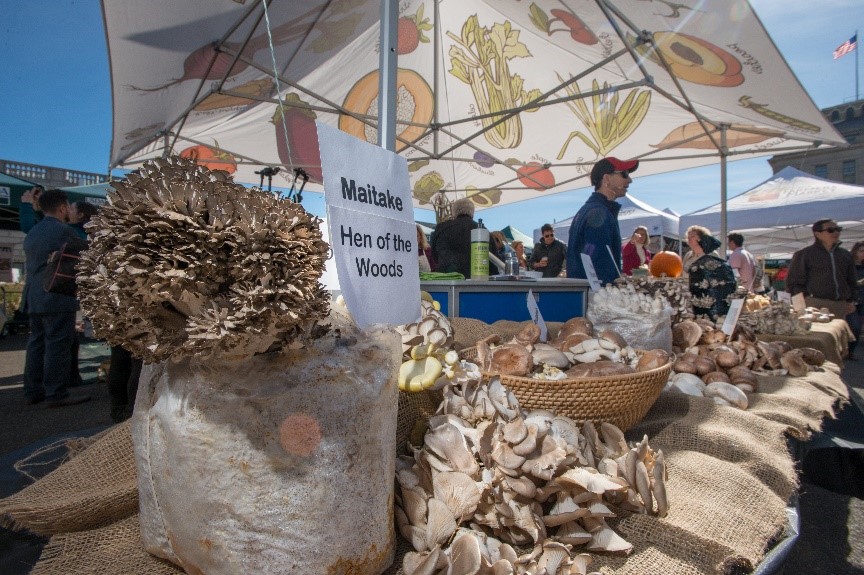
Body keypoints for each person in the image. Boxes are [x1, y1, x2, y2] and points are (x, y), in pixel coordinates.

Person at [22, 189, 91, 407]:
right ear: (61, 208)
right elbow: (87, 251)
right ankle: (56, 393)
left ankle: (33, 390)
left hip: (34, 295)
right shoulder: (64, 231)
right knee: (57, 344)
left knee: (36, 343)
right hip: (56, 295)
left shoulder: (33, 231)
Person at [566, 157, 638, 284]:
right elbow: (598, 263)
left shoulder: (591, 210)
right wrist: (609, 289)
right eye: (624, 174)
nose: (630, 180)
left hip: (586, 293)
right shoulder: (599, 213)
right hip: (597, 296)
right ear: (606, 179)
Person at [786, 219, 857, 326]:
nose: (836, 233)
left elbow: (852, 280)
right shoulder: (805, 254)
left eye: (838, 229)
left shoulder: (845, 254)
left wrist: (852, 301)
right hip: (814, 304)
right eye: (831, 230)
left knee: (839, 337)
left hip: (840, 304)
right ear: (817, 234)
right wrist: (802, 303)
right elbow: (793, 282)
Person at [685, 225, 737, 320]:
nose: (689, 239)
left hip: (707, 296)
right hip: (690, 293)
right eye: (688, 237)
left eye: (692, 236)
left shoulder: (712, 254)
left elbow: (717, 277)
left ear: (701, 238)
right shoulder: (688, 256)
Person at [430, 198, 477, 278]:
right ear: (472, 212)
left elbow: (434, 255)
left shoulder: (441, 228)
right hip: (476, 279)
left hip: (446, 278)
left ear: (453, 212)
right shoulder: (481, 230)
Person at [846, 241, 864, 359]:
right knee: (855, 327)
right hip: (852, 300)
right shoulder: (848, 265)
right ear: (855, 251)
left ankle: (850, 352)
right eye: (862, 251)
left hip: (862, 300)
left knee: (857, 326)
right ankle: (848, 350)